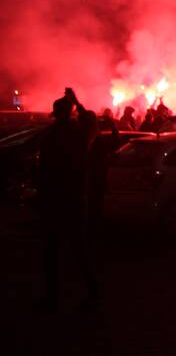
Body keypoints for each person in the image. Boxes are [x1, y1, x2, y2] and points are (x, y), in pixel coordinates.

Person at [37, 88, 99, 311]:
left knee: (51, 252)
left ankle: (52, 297)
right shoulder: (79, 135)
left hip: (53, 200)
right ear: (71, 113)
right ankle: (92, 293)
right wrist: (78, 103)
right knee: (79, 251)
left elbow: (42, 171)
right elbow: (92, 123)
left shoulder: (49, 136)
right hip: (73, 199)